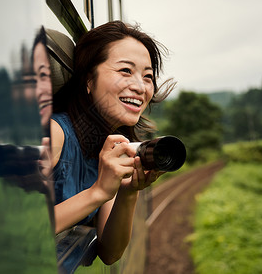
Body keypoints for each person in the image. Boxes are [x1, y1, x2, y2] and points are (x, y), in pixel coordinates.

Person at [51, 21, 175, 265]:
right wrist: (98, 192)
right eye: (125, 71)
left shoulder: (110, 148)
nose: (140, 87)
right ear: (89, 79)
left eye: (148, 76)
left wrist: (128, 192)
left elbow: (110, 252)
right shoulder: (54, 135)